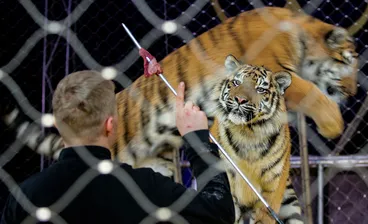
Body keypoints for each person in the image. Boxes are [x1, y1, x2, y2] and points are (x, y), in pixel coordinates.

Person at [1, 70, 235, 224]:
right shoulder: (144, 187)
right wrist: (197, 140)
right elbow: (218, 212)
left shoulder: (24, 197)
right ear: (110, 125)